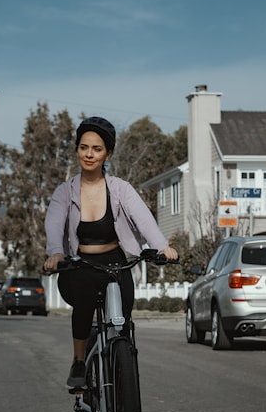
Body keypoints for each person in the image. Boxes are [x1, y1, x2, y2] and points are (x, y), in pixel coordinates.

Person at [43, 116, 178, 389]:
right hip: (80, 264)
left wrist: (161, 246)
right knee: (82, 304)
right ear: (77, 149)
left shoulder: (119, 189)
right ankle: (79, 361)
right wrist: (56, 253)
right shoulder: (64, 191)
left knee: (123, 322)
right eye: (84, 147)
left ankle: (122, 367)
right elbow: (54, 223)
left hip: (115, 263)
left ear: (108, 153)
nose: (89, 154)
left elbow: (143, 218)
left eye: (96, 149)